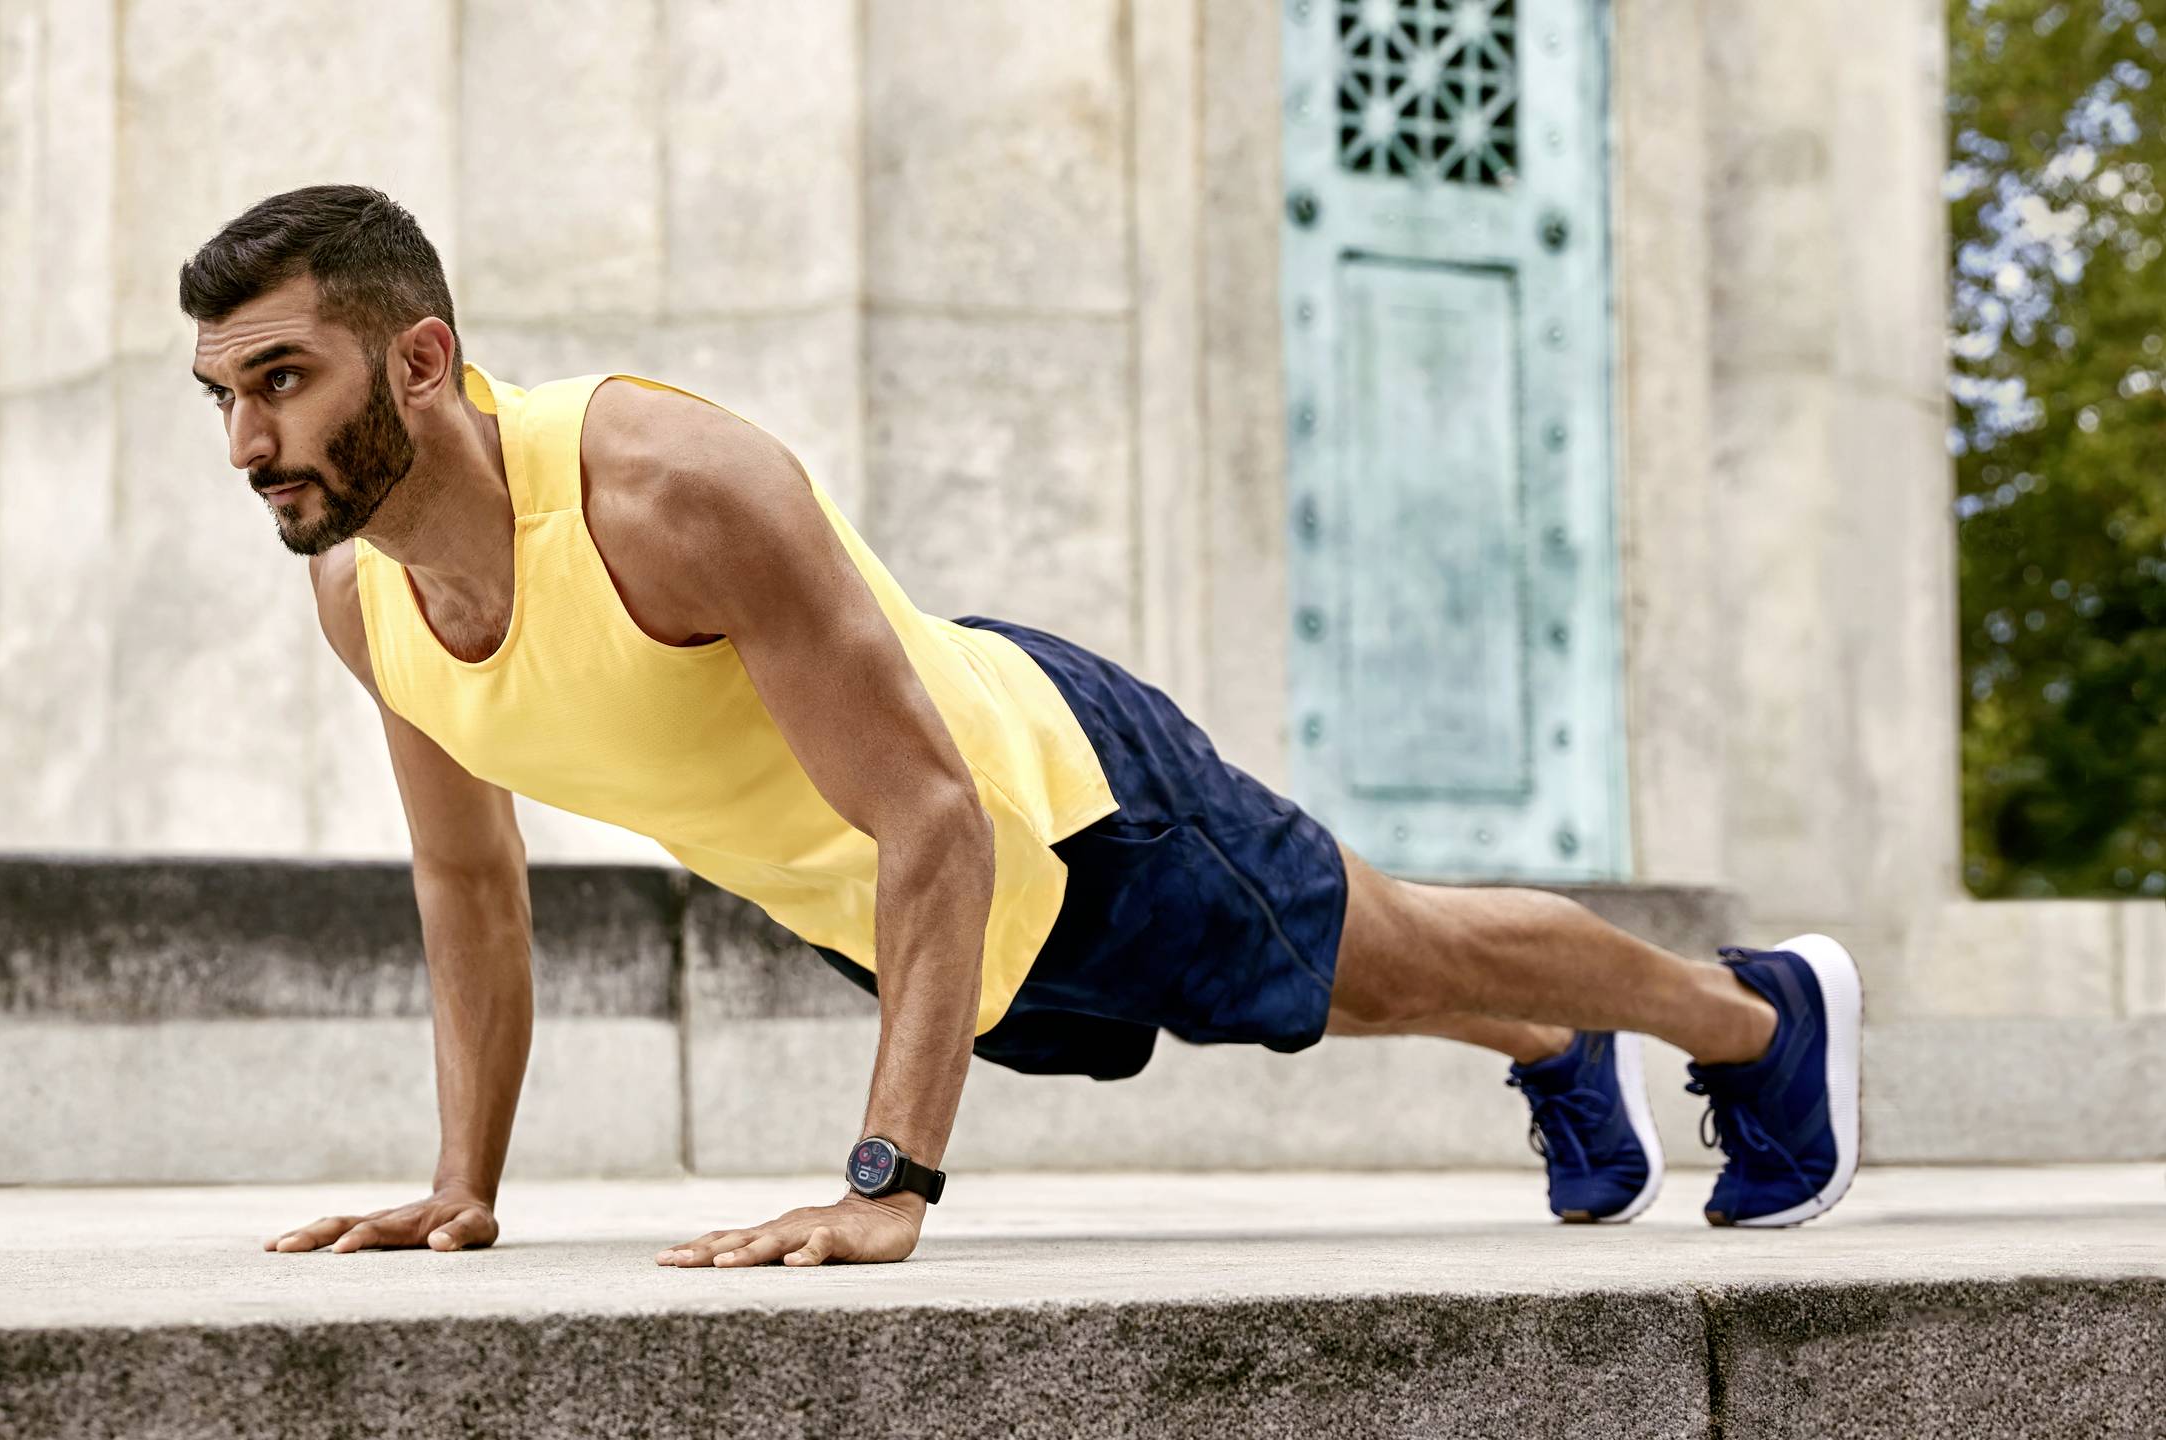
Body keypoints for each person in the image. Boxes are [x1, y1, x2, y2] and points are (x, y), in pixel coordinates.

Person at [188, 185, 1861, 1270]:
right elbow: (470, 886)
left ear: (419, 357)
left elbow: (931, 812)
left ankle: (1753, 1019)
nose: (253, 442)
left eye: (283, 379)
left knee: (1394, 948)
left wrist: (885, 1179)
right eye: (226, 400)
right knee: (1312, 991)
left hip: (1056, 801)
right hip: (905, 925)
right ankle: (1558, 1049)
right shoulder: (365, 598)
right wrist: (464, 1185)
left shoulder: (661, 486)